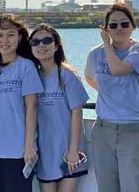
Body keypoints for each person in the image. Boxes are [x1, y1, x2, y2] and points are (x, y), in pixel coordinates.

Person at [84, 2, 139, 192]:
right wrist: (110, 96)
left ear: (133, 25)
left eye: (124, 23)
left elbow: (118, 69)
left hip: (133, 129)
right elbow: (89, 78)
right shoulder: (94, 54)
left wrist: (107, 44)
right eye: (113, 25)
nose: (119, 28)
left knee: (132, 187)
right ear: (106, 29)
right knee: (106, 187)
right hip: (103, 129)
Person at [0, 14, 42, 192]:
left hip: (19, 150)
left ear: (19, 37)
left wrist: (29, 145)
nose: (5, 40)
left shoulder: (26, 67)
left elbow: (32, 107)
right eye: (0, 35)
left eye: (10, 35)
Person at [30, 24, 90, 192]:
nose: (41, 45)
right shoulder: (32, 76)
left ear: (56, 45)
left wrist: (73, 150)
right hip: (45, 152)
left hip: (68, 151)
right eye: (35, 42)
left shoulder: (67, 75)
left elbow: (77, 112)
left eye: (47, 41)